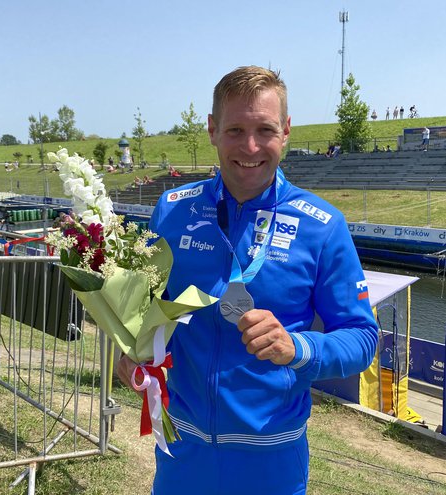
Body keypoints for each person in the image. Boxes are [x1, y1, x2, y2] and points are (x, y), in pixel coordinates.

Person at [117, 66, 378, 495]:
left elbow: (362, 338)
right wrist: (130, 353)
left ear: (287, 131)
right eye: (236, 129)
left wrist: (299, 347)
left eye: (265, 129)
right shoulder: (172, 208)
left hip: (271, 459)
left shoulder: (323, 225)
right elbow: (145, 309)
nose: (251, 146)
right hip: (182, 452)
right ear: (212, 130)